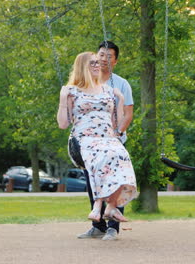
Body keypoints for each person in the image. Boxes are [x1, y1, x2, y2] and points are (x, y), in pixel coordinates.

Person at [57, 51, 138, 241]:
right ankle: (99, 212)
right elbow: (62, 124)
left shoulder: (109, 90)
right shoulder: (72, 90)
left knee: (122, 157)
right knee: (103, 159)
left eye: (97, 62)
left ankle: (109, 208)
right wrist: (62, 98)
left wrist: (120, 100)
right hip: (84, 140)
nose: (97, 65)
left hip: (107, 139)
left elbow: (115, 121)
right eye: (92, 62)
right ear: (82, 67)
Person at [79, 41, 135, 241]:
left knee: (116, 180)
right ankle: (98, 225)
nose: (104, 59)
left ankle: (113, 227)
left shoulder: (121, 84)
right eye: (101, 55)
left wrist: (118, 132)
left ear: (115, 61)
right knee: (92, 182)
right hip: (91, 142)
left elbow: (128, 113)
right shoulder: (84, 82)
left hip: (113, 141)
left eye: (109, 56)